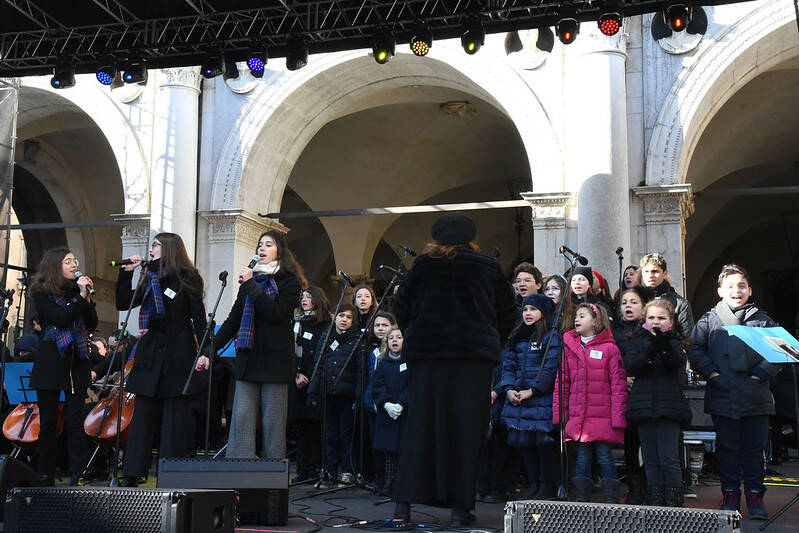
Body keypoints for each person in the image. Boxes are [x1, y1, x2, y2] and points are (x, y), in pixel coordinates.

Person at [391, 213, 517, 526]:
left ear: (436, 238)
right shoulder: (487, 267)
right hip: (472, 360)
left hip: (428, 358)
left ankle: (402, 508)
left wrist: (417, 332)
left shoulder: (422, 266)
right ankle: (461, 509)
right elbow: (507, 312)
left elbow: (400, 306)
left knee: (419, 428)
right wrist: (491, 341)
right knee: (467, 431)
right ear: (471, 238)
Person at [115, 233, 207, 486]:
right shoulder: (150, 276)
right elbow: (123, 302)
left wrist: (205, 352)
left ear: (168, 248)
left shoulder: (187, 278)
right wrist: (127, 273)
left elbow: (199, 317)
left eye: (155, 245)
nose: (151, 249)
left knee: (174, 418)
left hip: (178, 350)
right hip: (151, 350)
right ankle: (132, 473)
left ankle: (169, 476)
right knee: (142, 414)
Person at [688, 264, 777, 520]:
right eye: (730, 286)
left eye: (741, 286)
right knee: (727, 449)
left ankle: (755, 497)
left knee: (754, 450)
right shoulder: (708, 320)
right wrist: (713, 374)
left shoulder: (762, 320)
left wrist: (759, 373)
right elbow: (695, 351)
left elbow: (779, 353)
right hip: (722, 394)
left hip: (756, 396)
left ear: (750, 290)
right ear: (720, 291)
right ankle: (729, 495)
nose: (736, 291)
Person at [215, 230, 304, 461]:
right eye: (260, 244)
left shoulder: (290, 282)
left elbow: (276, 313)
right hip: (249, 357)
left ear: (280, 251)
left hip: (275, 361)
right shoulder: (250, 283)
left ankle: (272, 479)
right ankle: (239, 472)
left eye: (268, 244)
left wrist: (252, 285)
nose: (261, 249)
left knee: (272, 422)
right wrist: (208, 350)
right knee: (242, 419)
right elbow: (233, 320)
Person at [29, 247, 97, 485]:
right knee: (48, 422)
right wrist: (80, 299)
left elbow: (92, 322)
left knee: (74, 422)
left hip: (76, 363)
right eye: (68, 261)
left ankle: (79, 473)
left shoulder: (78, 291)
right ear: (55, 265)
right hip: (50, 362)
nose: (74, 264)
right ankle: (45, 473)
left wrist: (85, 298)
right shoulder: (42, 292)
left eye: (75, 260)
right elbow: (59, 319)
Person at [554, 302, 627, 503]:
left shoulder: (610, 349)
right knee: (582, 457)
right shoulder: (570, 348)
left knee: (605, 456)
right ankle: (581, 498)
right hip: (580, 417)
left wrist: (618, 418)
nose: (577, 319)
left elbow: (618, 385)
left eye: (583, 316)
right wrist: (560, 414)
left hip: (603, 416)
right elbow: (563, 383)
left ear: (596, 321)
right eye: (576, 316)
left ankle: (611, 498)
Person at [624, 300, 691, 507]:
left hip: (668, 407)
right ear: (644, 321)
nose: (656, 322)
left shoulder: (675, 341)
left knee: (669, 459)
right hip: (644, 407)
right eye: (651, 317)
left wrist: (664, 347)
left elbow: (675, 365)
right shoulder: (636, 341)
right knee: (650, 459)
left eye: (661, 318)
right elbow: (633, 367)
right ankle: (655, 505)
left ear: (670, 322)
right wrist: (651, 351)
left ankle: (673, 506)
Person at [499, 294, 559, 499]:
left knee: (542, 445)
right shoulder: (517, 335)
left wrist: (533, 390)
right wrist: (508, 388)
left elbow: (550, 367)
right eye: (525, 310)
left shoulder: (550, 335)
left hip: (540, 398)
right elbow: (508, 364)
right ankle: (533, 484)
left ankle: (545, 485)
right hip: (518, 396)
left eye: (533, 309)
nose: (528, 314)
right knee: (525, 446)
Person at [307, 303, 361, 488]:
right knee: (330, 434)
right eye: (341, 315)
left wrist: (358, 395)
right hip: (328, 393)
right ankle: (330, 470)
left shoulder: (356, 339)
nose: (344, 319)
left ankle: (346, 471)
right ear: (334, 317)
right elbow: (318, 365)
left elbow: (360, 371)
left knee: (346, 434)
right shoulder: (326, 337)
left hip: (347, 395)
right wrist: (313, 392)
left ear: (352, 321)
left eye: (348, 317)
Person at [289, 286, 332, 483]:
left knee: (315, 427)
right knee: (301, 427)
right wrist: (296, 373)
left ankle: (315, 468)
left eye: (308, 296)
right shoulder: (297, 322)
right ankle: (302, 468)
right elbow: (292, 350)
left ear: (317, 298)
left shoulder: (325, 323)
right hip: (298, 380)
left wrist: (310, 376)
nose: (304, 299)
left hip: (316, 380)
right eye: (302, 297)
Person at [612, 287, 647, 504]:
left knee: (649, 444)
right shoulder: (614, 333)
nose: (628, 306)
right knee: (630, 444)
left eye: (633, 302)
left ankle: (650, 485)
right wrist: (623, 379)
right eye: (624, 303)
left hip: (646, 391)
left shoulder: (648, 329)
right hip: (624, 393)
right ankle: (634, 487)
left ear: (643, 307)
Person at [371, 325, 407, 496]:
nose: (395, 340)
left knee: (404, 448)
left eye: (399, 337)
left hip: (405, 413)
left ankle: (404, 481)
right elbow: (377, 385)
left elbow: (412, 385)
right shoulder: (382, 362)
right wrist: (386, 403)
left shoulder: (409, 363)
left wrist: (401, 403)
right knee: (389, 449)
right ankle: (390, 480)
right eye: (391, 337)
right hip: (387, 413)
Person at [363, 311, 397, 487]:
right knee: (375, 442)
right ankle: (379, 476)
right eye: (377, 325)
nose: (381, 328)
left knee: (389, 443)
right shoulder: (371, 349)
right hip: (372, 404)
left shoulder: (395, 350)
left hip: (391, 404)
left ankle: (391, 478)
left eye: (385, 325)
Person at [637, 253, 694, 335]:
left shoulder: (680, 304)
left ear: (664, 274)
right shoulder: (634, 302)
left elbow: (686, 338)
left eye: (655, 271)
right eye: (646, 272)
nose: (650, 275)